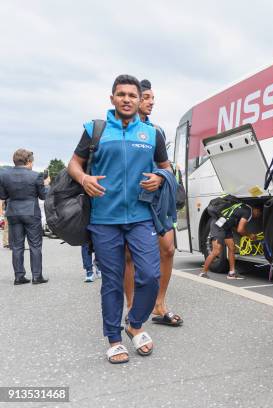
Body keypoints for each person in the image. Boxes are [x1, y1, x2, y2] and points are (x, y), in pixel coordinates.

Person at [67, 74, 171, 364]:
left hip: (141, 216)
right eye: (121, 94)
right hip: (104, 218)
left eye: (132, 95)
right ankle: (114, 339)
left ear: (139, 101)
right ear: (112, 98)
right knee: (112, 281)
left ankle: (135, 323)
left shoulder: (152, 134)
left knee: (150, 275)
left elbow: (167, 167)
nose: (127, 99)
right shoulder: (96, 129)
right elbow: (74, 163)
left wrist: (160, 177)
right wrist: (84, 177)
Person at [123, 79, 182, 327]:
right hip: (129, 199)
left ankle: (159, 304)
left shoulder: (156, 131)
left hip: (156, 199)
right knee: (128, 256)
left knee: (167, 249)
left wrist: (161, 177)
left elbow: (164, 166)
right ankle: (132, 307)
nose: (151, 102)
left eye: (152, 99)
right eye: (146, 97)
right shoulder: (121, 128)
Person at [0, 149, 49, 285]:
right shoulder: (36, 176)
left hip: (13, 212)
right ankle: (37, 276)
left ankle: (19, 276)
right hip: (31, 212)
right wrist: (46, 185)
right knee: (35, 245)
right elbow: (43, 196)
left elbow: (3, 196)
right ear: (28, 161)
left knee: (16, 246)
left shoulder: (4, 175)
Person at [200, 203, 262, 280]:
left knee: (232, 248)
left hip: (226, 226)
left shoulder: (244, 207)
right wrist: (250, 235)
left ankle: (232, 273)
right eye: (259, 213)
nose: (258, 216)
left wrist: (243, 234)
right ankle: (203, 273)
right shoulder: (248, 212)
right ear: (256, 210)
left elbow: (234, 224)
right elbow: (240, 229)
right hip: (218, 226)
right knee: (216, 251)